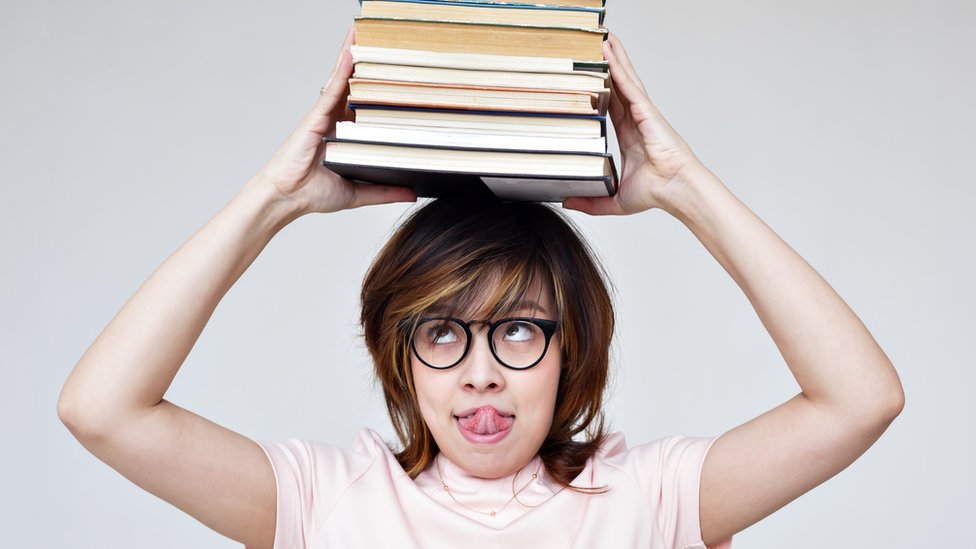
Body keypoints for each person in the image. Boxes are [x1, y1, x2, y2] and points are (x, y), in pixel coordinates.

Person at [58, 28, 904, 549]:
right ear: (403, 356)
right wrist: (272, 201)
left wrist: (684, 186)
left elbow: (859, 399)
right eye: (442, 332)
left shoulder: (651, 499)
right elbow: (102, 408)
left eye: (519, 330)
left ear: (571, 348)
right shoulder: (321, 504)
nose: (481, 372)